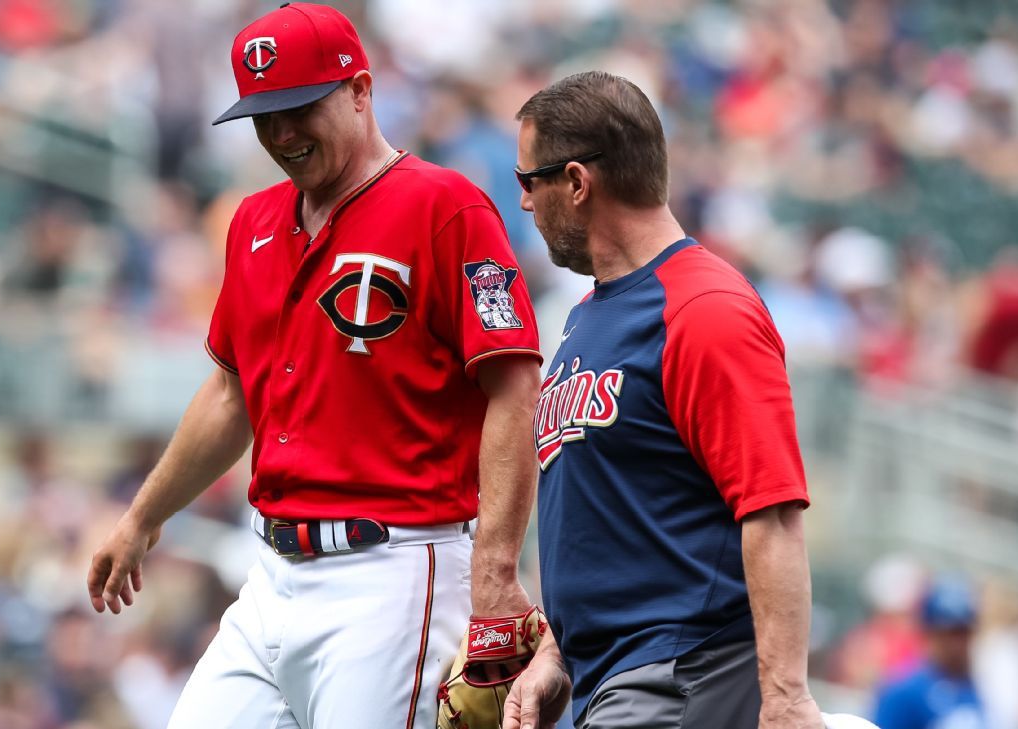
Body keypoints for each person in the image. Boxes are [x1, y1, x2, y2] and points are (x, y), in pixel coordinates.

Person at [86, 4, 544, 728]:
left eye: (300, 108)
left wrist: (494, 570)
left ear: (360, 90)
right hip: (269, 571)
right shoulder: (253, 221)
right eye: (265, 116)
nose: (282, 134)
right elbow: (231, 392)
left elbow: (514, 387)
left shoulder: (444, 207)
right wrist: (144, 516)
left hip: (393, 569)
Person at [502, 71, 822, 729]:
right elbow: (608, 516)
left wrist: (786, 699)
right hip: (617, 679)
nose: (526, 204)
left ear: (576, 182)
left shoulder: (704, 309)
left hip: (682, 673)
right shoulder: (587, 317)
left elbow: (774, 512)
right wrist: (555, 654)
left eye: (527, 181)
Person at [873, 578, 988, 729]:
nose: (958, 643)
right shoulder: (903, 690)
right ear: (930, 632)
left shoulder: (972, 686)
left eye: (964, 632)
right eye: (951, 633)